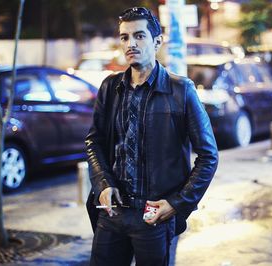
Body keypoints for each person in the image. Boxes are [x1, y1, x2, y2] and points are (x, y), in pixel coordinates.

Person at [85, 6, 218, 266]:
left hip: (154, 215)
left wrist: (176, 204)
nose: (130, 43)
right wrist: (103, 183)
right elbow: (94, 141)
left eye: (139, 35)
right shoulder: (110, 88)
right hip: (112, 215)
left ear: (157, 41)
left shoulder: (181, 90)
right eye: (124, 37)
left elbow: (208, 157)